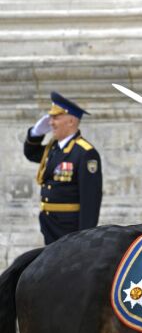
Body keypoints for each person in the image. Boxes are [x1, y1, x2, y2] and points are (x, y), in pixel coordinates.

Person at [23, 92, 102, 244]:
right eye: (51, 117)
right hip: (49, 222)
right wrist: (35, 133)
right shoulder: (53, 148)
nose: (50, 123)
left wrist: (84, 237)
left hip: (69, 228)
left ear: (71, 121)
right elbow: (31, 154)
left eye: (56, 117)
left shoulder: (85, 152)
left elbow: (90, 200)